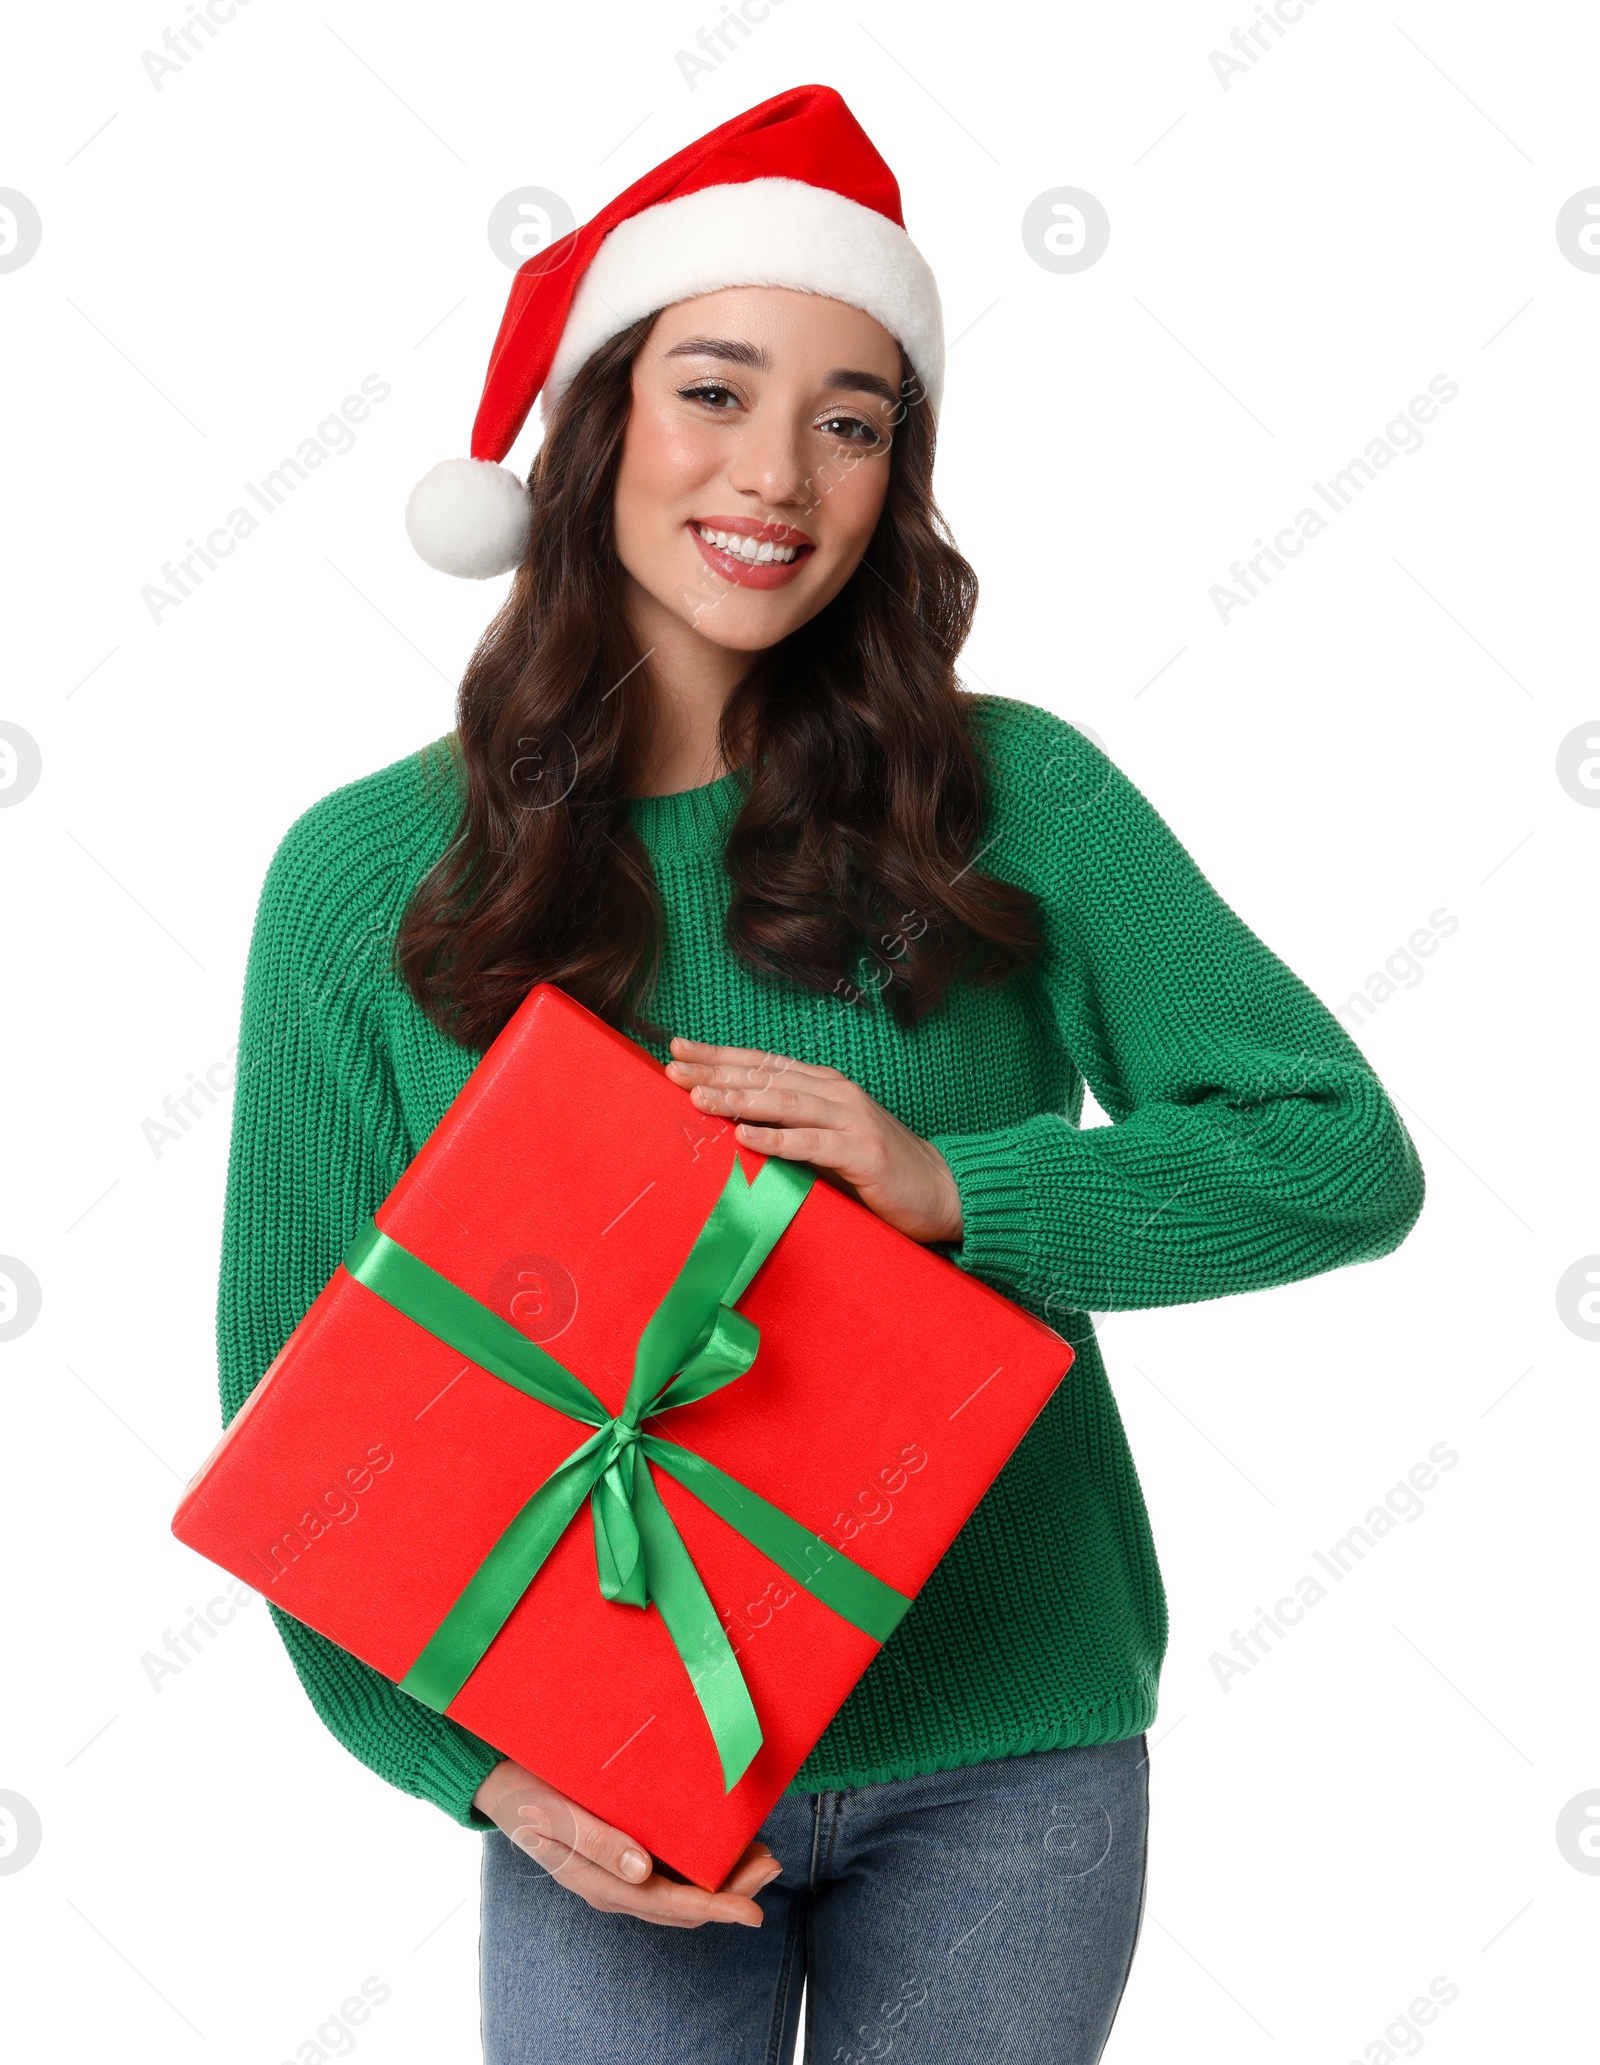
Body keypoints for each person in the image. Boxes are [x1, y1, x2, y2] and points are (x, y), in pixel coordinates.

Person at [216, 85, 1426, 2064]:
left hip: (1010, 1751)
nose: (776, 470)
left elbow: (1336, 1153)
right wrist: (467, 1767)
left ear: (894, 476)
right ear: (599, 425)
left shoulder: (1012, 795)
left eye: (850, 419)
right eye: (711, 390)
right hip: (606, 1761)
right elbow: (298, 1396)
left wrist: (958, 1188)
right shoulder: (365, 879)